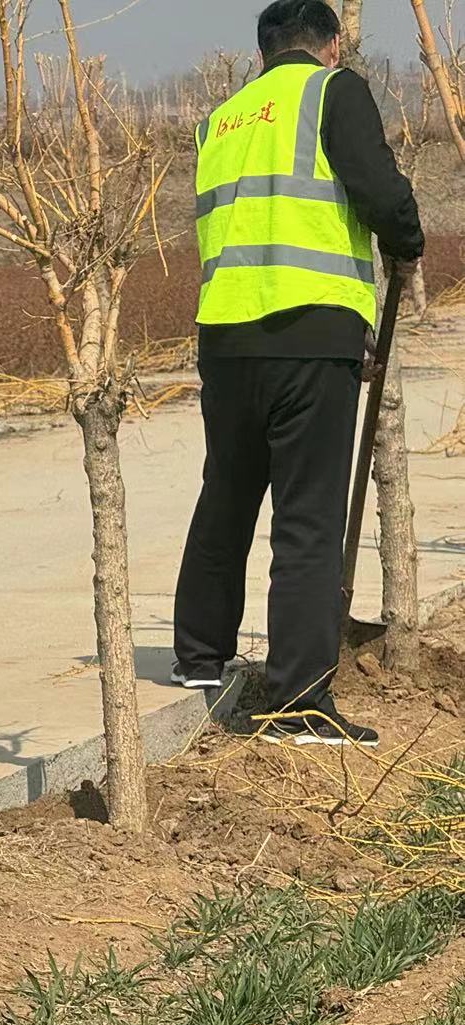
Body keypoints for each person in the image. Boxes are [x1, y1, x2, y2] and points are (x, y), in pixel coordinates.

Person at [174, 0, 424, 747]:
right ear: (332, 44)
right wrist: (406, 241)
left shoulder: (220, 120)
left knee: (228, 492)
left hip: (226, 335)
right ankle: (299, 703)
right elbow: (378, 189)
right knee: (309, 519)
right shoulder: (333, 90)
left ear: (262, 54)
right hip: (311, 332)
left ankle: (198, 657)